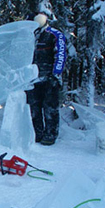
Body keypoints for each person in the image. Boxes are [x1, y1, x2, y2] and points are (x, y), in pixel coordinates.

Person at [26, 12, 67, 145]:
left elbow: (60, 54)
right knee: (34, 107)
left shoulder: (53, 34)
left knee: (50, 107)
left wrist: (56, 74)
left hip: (49, 77)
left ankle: (50, 134)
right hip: (32, 78)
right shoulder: (29, 36)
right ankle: (37, 133)